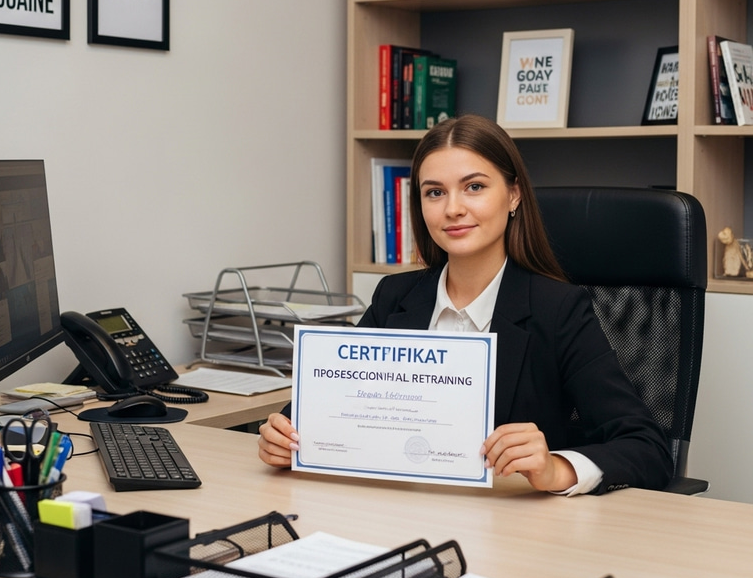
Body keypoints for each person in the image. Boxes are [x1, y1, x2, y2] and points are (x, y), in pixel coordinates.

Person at [258, 115, 673, 495]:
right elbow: (314, 414)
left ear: (512, 196)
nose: (453, 208)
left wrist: (555, 468)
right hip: (396, 516)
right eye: (435, 192)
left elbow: (647, 448)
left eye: (474, 187)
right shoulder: (394, 298)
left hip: (509, 533)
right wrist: (283, 437)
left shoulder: (558, 309)